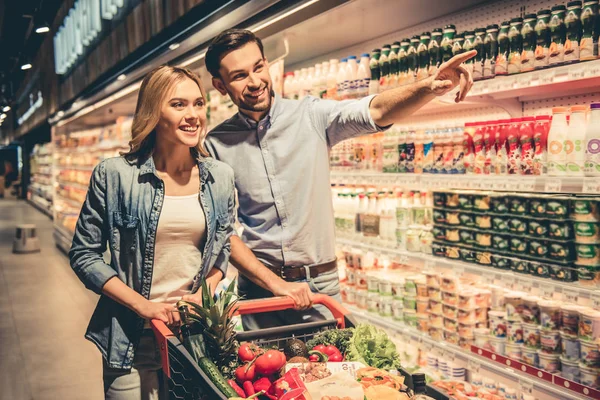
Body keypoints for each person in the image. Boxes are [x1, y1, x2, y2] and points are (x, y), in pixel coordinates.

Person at [204, 29, 475, 330]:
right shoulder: (216, 145)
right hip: (258, 294)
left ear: (267, 63)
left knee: (330, 374)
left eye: (258, 67)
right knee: (264, 376)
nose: (255, 82)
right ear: (220, 85)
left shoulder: (311, 115)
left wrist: (429, 87)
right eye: (240, 75)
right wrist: (274, 284)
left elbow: (376, 109)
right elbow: (222, 231)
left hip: (320, 287)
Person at [69, 65, 235, 400]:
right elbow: (83, 254)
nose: (193, 115)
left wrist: (201, 294)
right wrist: (144, 306)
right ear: (152, 112)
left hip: (193, 334)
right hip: (131, 335)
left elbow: (222, 252)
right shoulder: (115, 175)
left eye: (198, 103)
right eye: (178, 105)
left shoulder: (220, 177)